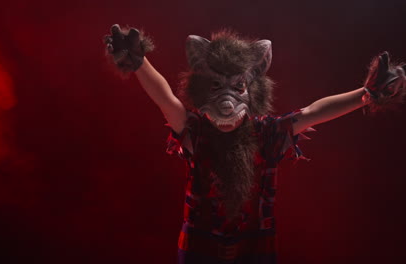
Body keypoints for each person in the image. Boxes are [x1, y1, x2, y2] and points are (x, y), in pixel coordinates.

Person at [103, 24, 406, 264]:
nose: (226, 101)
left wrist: (365, 93)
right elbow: (166, 100)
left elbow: (313, 112)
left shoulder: (267, 134)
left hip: (256, 246)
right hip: (200, 244)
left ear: (252, 90)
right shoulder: (196, 131)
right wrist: (140, 62)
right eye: (216, 87)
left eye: (238, 87)